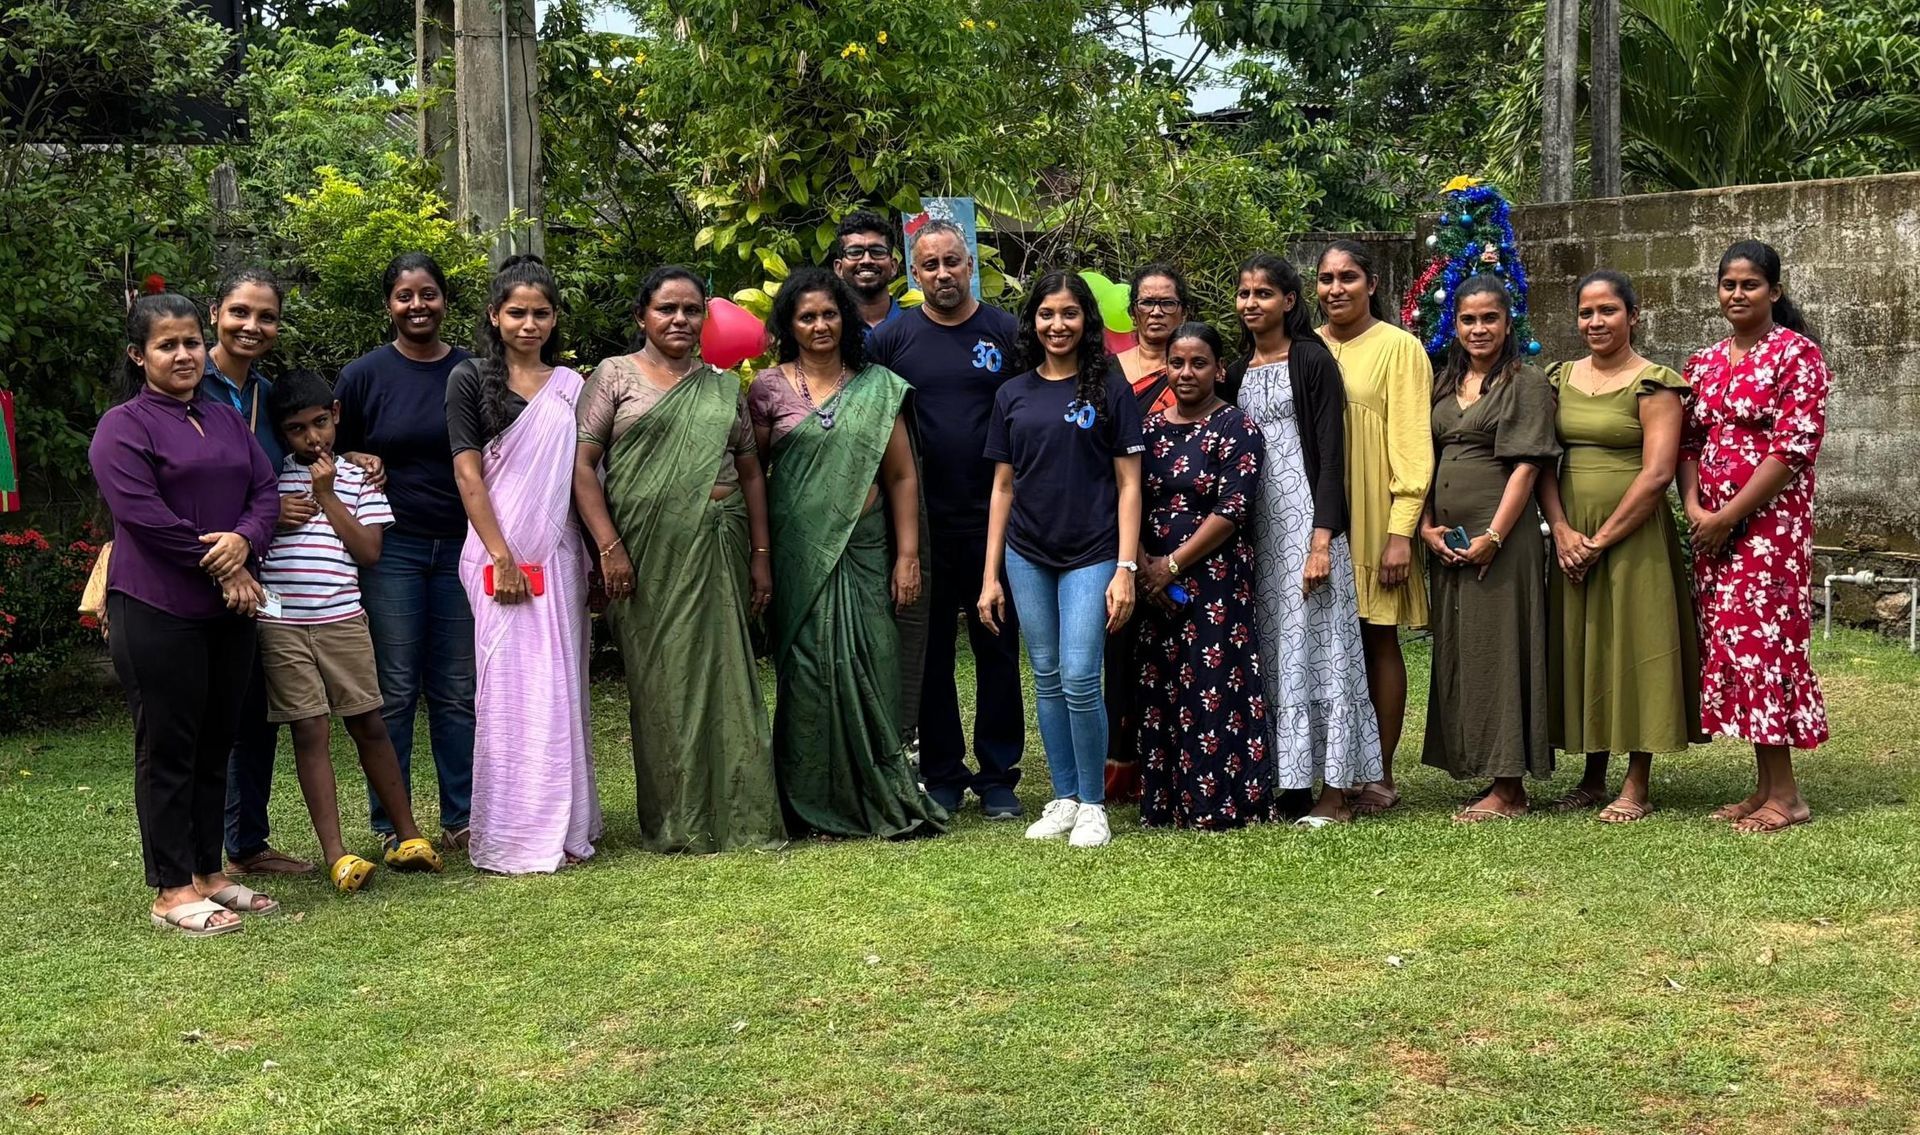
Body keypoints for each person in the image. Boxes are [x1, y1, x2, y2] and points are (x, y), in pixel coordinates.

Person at [572, 266, 786, 853]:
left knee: (727, 679)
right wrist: (609, 548)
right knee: (662, 682)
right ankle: (678, 818)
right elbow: (581, 468)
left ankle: (743, 815)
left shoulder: (722, 387)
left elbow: (750, 472)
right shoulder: (614, 377)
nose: (680, 320)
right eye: (667, 308)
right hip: (644, 555)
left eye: (692, 310)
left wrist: (761, 557)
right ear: (643, 315)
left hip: (721, 542)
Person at [91, 292, 281, 935]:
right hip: (156, 605)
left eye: (191, 342)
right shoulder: (123, 426)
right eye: (166, 345)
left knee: (214, 743)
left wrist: (246, 540)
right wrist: (229, 563)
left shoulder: (226, 418)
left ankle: (208, 873)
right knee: (168, 746)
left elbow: (263, 489)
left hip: (230, 608)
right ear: (137, 354)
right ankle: (171, 888)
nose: (183, 354)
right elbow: (144, 516)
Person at [748, 268, 946, 838]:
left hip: (866, 549)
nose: (819, 325)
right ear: (789, 324)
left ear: (846, 319)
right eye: (806, 316)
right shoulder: (767, 389)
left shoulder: (879, 387)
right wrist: (759, 553)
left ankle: (876, 794)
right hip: (798, 555)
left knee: (875, 664)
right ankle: (808, 799)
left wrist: (907, 555)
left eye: (829, 314)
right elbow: (753, 476)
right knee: (808, 674)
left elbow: (903, 477)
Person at [257, 371, 444, 890]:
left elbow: (369, 551)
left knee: (369, 723)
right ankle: (337, 855)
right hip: (282, 624)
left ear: (336, 414)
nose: (312, 438)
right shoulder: (268, 481)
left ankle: (407, 835)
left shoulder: (359, 478)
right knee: (310, 729)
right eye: (296, 430)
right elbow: (249, 526)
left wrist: (328, 496)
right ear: (281, 433)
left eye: (320, 423)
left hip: (344, 619)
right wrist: (272, 513)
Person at [867, 220, 1026, 820]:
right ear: (914, 273)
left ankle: (998, 774)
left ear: (970, 265)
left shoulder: (1008, 332)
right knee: (929, 652)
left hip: (996, 523)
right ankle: (940, 772)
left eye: (952, 262)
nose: (942, 275)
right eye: (929, 265)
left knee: (997, 647)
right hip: (923, 528)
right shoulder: (892, 339)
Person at [980, 270, 1144, 848]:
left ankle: (1094, 805)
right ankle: (1065, 796)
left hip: (1092, 551)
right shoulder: (1012, 393)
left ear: (1086, 322)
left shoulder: (1109, 388)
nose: (1057, 325)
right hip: (1027, 553)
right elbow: (1003, 486)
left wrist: (1125, 568)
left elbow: (1129, 485)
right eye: (1047, 314)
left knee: (1080, 675)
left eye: (1069, 314)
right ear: (1033, 322)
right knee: (1046, 677)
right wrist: (988, 577)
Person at [448, 255, 601, 873]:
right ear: (495, 315)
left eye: (540, 313)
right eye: (517, 312)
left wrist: (597, 555)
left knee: (563, 685)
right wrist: (502, 555)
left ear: (554, 318)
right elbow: (467, 471)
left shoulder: (571, 385)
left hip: (559, 555)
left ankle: (566, 822)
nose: (529, 323)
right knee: (508, 689)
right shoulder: (466, 379)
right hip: (496, 558)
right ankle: (513, 827)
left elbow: (585, 476)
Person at [1537, 270, 1703, 823]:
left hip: (1632, 536)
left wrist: (1600, 541)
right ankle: (1590, 775)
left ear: (1633, 315)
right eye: (1586, 312)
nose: (1595, 322)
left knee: (1636, 645)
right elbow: (1542, 460)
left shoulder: (1656, 383)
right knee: (1586, 644)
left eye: (1608, 311)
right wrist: (1562, 530)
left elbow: (1657, 474)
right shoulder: (1558, 378)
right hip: (1571, 531)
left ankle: (1636, 781)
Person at [1223, 254, 1381, 826]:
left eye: (1264, 293)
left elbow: (1333, 454)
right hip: (1257, 531)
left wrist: (1322, 540)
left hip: (1307, 527)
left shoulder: (1311, 359)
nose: (1251, 303)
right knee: (1274, 650)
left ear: (1290, 301)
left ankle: (1336, 794)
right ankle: (1288, 783)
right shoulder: (1238, 370)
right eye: (1244, 293)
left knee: (1322, 650)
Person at [1680, 240, 1831, 833]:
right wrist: (1696, 508)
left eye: (1749, 284)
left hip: (1771, 528)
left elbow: (1793, 449)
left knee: (1763, 646)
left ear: (1775, 290)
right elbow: (1688, 442)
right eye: (1728, 284)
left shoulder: (1798, 356)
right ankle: (1764, 786)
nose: (1737, 294)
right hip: (1711, 528)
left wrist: (1728, 516)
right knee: (1733, 647)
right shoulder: (1706, 361)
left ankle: (1788, 796)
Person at [334, 252, 478, 853]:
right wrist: (355, 458)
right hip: (392, 548)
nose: (417, 306)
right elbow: (322, 447)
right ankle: (392, 825)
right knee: (393, 688)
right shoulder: (364, 375)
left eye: (428, 294)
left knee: (457, 688)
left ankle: (463, 815)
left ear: (445, 300)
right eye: (404, 296)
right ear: (388, 304)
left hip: (463, 547)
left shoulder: (473, 370)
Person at [1417, 276, 1561, 821]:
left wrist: (1493, 536)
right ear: (1454, 325)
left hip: (1501, 537)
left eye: (1489, 319)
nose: (1479, 329)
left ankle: (1510, 788)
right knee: (1461, 651)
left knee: (1501, 650)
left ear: (1508, 322)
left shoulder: (1525, 383)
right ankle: (1478, 764)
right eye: (1468, 319)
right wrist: (1426, 526)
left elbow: (1527, 466)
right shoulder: (1442, 382)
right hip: (1449, 540)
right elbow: (1424, 458)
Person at [1133, 322, 1271, 828]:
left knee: (1214, 684)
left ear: (1218, 368)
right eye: (1177, 363)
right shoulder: (1146, 430)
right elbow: (1129, 499)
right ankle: (1166, 802)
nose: (1186, 373)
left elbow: (1234, 508)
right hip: (1152, 580)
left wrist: (1172, 564)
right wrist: (1147, 566)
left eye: (1199, 363)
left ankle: (1220, 802)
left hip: (1216, 578)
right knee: (1162, 686)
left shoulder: (1238, 427)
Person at [1315, 240, 1433, 817]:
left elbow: (1413, 444)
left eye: (1348, 277)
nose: (1336, 288)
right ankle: (1325, 768)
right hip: (1313, 514)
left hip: (1373, 512)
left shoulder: (1399, 349)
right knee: (1323, 644)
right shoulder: (1303, 347)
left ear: (1372, 284)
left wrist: (1400, 530)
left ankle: (1379, 772)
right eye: (1326, 278)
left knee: (1376, 636)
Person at [201, 267, 310, 878]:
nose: (252, 326)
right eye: (240, 312)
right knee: (202, 716)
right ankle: (195, 855)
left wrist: (360, 457)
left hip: (259, 576)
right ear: (216, 311)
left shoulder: (267, 396)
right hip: (199, 565)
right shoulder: (192, 386)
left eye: (265, 316)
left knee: (252, 713)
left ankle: (246, 844)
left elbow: (298, 454)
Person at [1101, 264, 1193, 803]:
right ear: (1132, 311)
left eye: (1167, 303)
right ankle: (1122, 767)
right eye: (1147, 303)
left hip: (1193, 534)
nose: (1156, 312)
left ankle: (1183, 760)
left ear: (1183, 311)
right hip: (1122, 531)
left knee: (1184, 653)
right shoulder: (1109, 374)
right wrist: (1133, 552)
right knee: (1121, 650)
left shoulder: (1198, 367)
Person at [831, 210, 905, 332]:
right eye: (855, 252)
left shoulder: (916, 329)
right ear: (839, 268)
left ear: (893, 266)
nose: (866, 260)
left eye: (877, 251)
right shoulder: (831, 331)